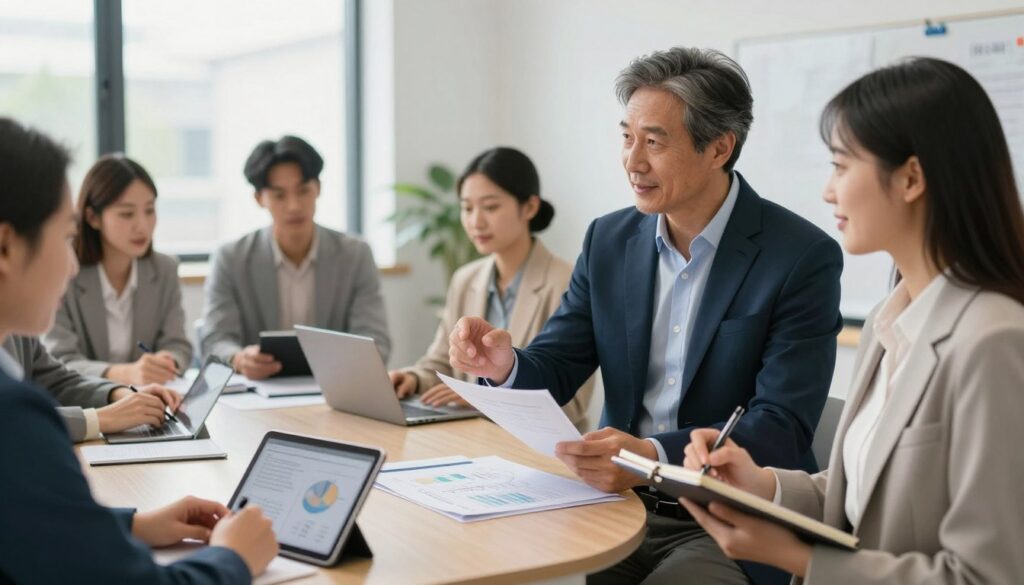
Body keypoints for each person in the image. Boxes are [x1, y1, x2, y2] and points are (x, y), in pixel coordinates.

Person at [449, 47, 842, 585]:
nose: (633, 161)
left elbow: (781, 426)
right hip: (614, 507)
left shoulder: (799, 256)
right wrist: (505, 365)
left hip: (728, 522)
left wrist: (650, 456)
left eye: (654, 142)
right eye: (627, 137)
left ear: (719, 148)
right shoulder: (609, 239)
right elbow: (559, 361)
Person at [679, 58, 1024, 585]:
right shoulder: (892, 317)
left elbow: (987, 576)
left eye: (841, 166)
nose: (828, 191)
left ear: (911, 178)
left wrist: (798, 558)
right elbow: (864, 497)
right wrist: (762, 485)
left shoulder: (993, 341)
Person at [0, 117, 278, 583]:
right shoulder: (14, 416)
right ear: (6, 247)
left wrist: (132, 525)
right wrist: (233, 557)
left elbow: (26, 522)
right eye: (64, 238)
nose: (71, 266)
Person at [388, 147, 594, 431]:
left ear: (529, 207)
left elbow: (572, 403)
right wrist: (413, 378)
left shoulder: (568, 281)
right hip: (473, 439)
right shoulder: (465, 279)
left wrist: (482, 400)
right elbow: (441, 362)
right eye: (467, 208)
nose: (476, 221)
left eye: (490, 207)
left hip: (541, 445)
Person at [201, 135, 391, 380]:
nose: (294, 206)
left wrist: (347, 368)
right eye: (279, 195)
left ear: (318, 188)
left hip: (335, 386)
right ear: (259, 198)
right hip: (257, 388)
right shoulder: (231, 259)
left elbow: (376, 339)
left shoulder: (355, 255)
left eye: (303, 191)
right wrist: (239, 358)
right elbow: (215, 340)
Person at [43, 154, 192, 385]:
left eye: (150, 210)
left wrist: (167, 361)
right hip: (88, 401)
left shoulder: (165, 269)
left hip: (151, 397)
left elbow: (178, 344)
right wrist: (122, 373)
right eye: (127, 214)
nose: (142, 226)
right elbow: (59, 360)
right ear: (93, 217)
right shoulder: (65, 272)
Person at [5, 333, 181, 442]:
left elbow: (57, 381)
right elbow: (10, 420)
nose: (74, 271)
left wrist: (122, 394)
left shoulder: (19, 328)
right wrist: (99, 419)